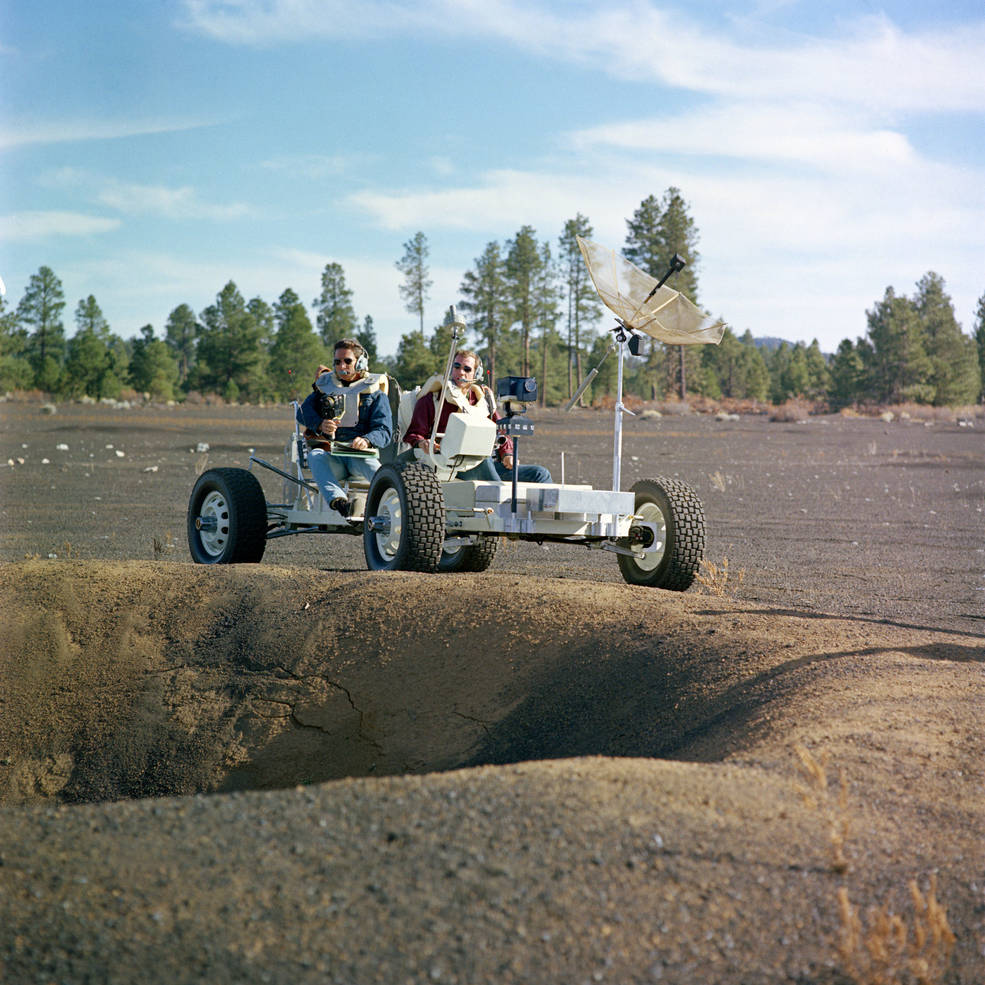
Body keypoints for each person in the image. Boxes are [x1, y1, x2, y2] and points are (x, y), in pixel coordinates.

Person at [403, 349, 551, 483]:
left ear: (476, 374)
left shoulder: (483, 400)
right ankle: (501, 502)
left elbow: (501, 431)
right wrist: (423, 443)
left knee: (540, 474)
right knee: (483, 460)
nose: (461, 372)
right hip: (451, 466)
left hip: (488, 464)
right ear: (450, 369)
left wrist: (507, 454)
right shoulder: (432, 400)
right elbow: (414, 434)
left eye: (467, 369)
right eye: (457, 366)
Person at [297, 339, 393, 517]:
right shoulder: (325, 387)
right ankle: (340, 502)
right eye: (337, 362)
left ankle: (396, 507)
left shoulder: (375, 393)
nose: (342, 366)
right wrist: (319, 423)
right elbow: (302, 413)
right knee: (316, 456)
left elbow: (384, 431)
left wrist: (366, 440)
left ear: (360, 362)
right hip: (334, 457)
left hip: (360, 457)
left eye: (347, 361)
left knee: (380, 473)